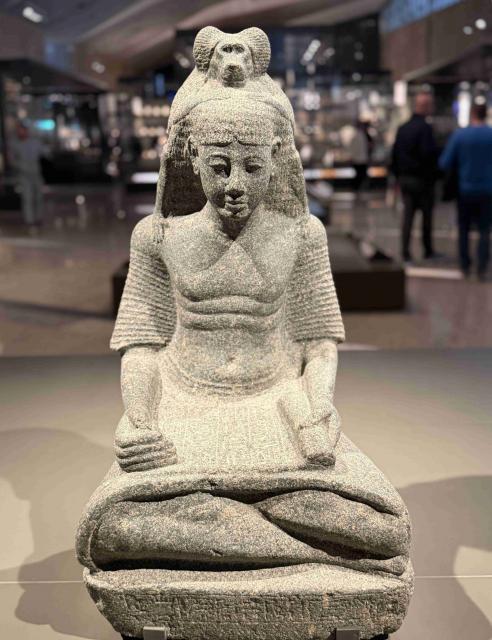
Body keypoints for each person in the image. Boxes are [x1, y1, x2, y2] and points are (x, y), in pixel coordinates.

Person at [440, 103, 492, 279]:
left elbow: (445, 162)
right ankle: (482, 266)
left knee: (464, 229)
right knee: (484, 229)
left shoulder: (460, 135)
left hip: (465, 189)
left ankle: (465, 264)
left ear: (471, 114)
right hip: (487, 190)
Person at [392, 92, 440, 262]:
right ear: (425, 106)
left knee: (408, 216)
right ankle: (427, 250)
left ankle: (405, 251)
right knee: (426, 217)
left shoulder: (403, 128)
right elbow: (428, 155)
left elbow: (395, 154)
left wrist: (397, 177)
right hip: (423, 180)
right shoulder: (426, 128)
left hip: (406, 179)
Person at [10, 122, 45, 227]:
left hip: (36, 173)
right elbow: (12, 160)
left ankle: (39, 218)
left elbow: (42, 152)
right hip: (24, 174)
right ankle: (29, 220)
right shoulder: (14, 144)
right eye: (19, 130)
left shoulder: (35, 142)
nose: (21, 132)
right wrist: (20, 165)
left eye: (23, 130)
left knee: (38, 197)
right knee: (27, 197)